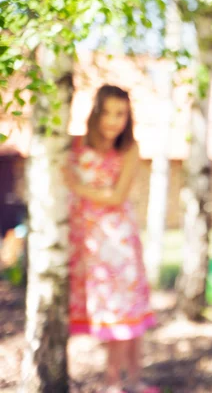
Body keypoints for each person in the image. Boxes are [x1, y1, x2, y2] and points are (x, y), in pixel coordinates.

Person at [64, 85, 159, 393]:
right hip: (87, 241)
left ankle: (125, 381)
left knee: (126, 310)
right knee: (109, 310)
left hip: (118, 241)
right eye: (107, 112)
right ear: (95, 112)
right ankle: (116, 381)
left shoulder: (129, 149)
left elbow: (117, 195)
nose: (113, 120)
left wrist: (76, 187)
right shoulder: (75, 145)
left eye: (120, 114)